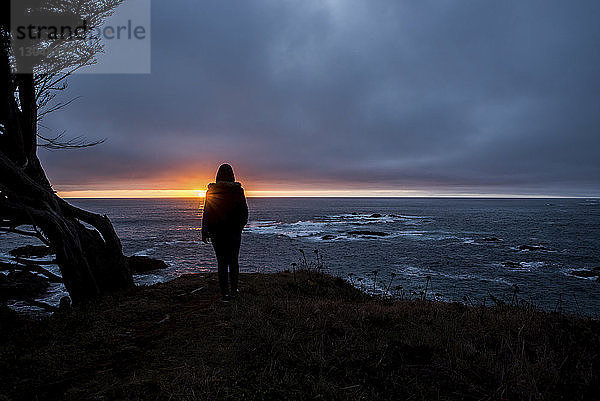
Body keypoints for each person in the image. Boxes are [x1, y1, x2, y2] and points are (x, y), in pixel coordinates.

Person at [202, 164, 248, 301]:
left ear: (218, 175)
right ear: (232, 175)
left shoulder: (211, 191)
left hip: (217, 232)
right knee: (233, 261)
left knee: (221, 262)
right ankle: (234, 291)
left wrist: (205, 231)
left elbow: (207, 213)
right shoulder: (238, 191)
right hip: (234, 232)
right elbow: (244, 212)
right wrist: (239, 226)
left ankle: (225, 294)